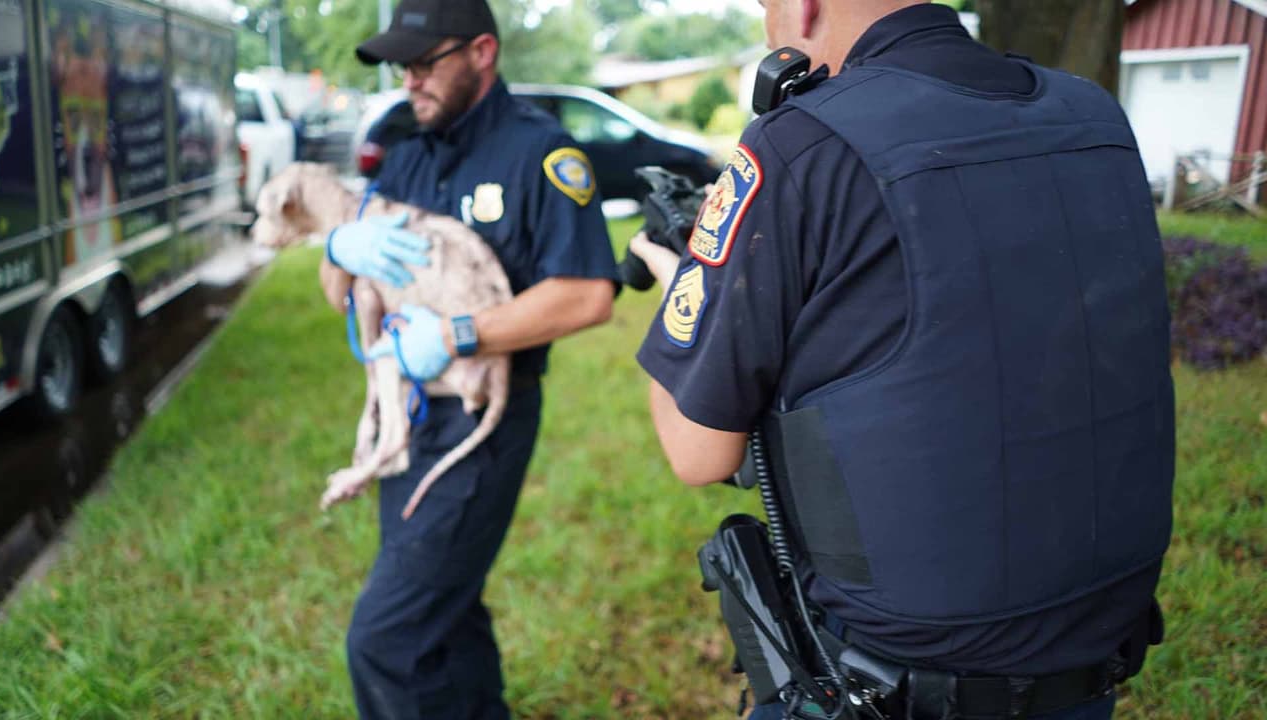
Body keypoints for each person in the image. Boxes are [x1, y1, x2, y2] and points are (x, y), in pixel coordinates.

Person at [631, 1, 1174, 718]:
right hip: (1092, 663)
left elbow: (697, 450)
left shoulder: (799, 142)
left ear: (803, 6)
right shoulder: (1095, 115)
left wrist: (686, 295)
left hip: (889, 686)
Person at [317, 0, 618, 716]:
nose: (409, 81)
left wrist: (457, 334)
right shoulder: (403, 153)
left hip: (481, 419)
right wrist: (339, 248)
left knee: (386, 640)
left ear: (483, 52)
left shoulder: (540, 153)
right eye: (402, 67)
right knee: (447, 608)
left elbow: (586, 295)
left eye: (425, 63)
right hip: (410, 420)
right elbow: (341, 295)